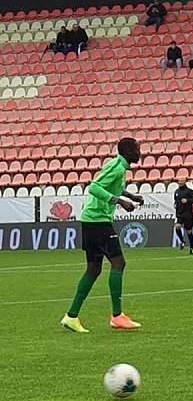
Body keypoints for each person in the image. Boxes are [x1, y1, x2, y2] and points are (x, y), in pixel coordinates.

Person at [60, 138, 144, 333]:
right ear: (129, 151)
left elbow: (111, 186)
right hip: (98, 221)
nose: (140, 152)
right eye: (138, 149)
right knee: (118, 262)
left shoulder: (119, 167)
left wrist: (130, 196)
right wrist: (120, 202)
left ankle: (71, 316)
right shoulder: (116, 166)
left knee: (93, 269)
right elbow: (94, 187)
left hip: (92, 221)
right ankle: (117, 316)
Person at [173, 174, 193, 255]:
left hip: (188, 214)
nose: (180, 183)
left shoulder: (189, 191)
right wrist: (176, 205)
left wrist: (187, 200)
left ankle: (192, 247)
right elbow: (176, 201)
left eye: (181, 181)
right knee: (177, 227)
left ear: (185, 182)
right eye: (179, 181)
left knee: (189, 231)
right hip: (179, 214)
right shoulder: (176, 192)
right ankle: (182, 241)